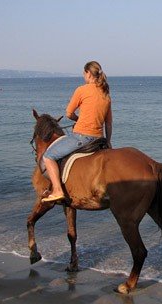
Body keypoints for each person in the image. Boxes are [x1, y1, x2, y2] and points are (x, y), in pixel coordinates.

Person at [42, 61, 113, 202]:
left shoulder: (82, 90)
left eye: (84, 73)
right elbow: (108, 123)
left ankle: (57, 190)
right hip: (99, 139)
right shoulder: (106, 95)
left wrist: (78, 118)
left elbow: (68, 113)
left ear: (87, 73)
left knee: (48, 157)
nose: (83, 76)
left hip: (82, 137)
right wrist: (109, 141)